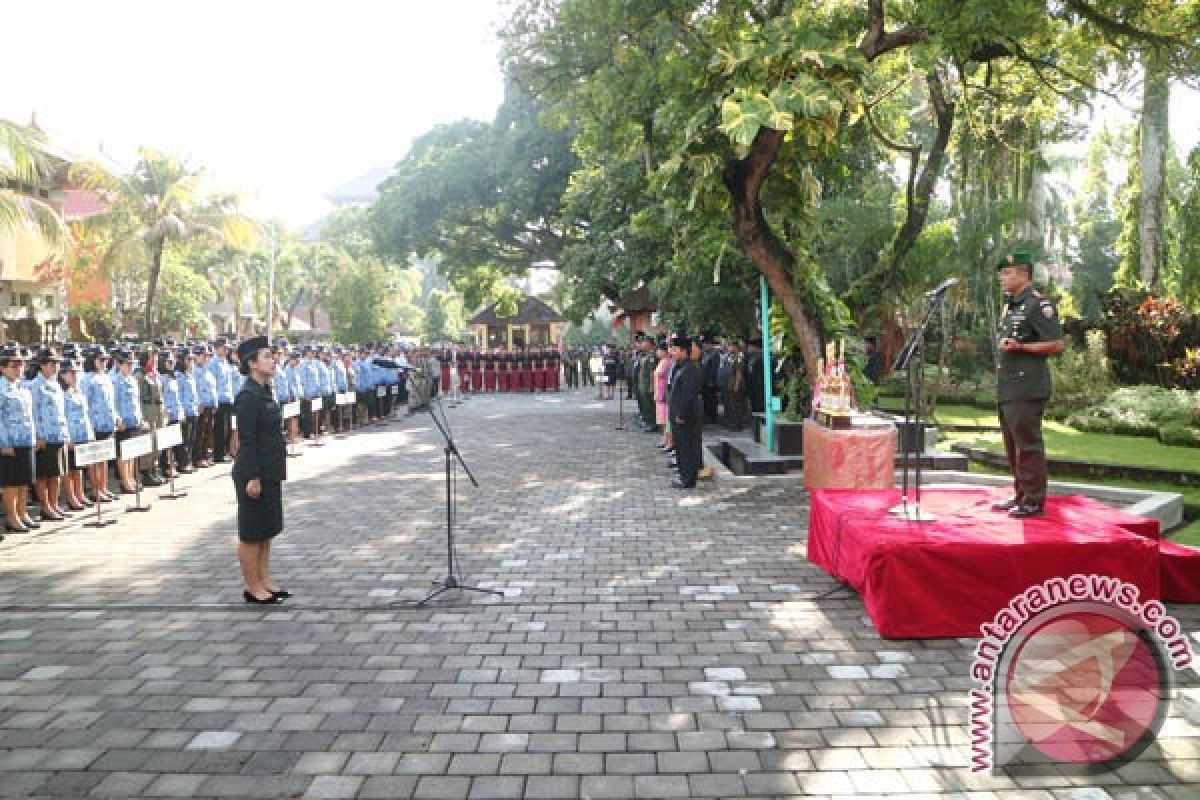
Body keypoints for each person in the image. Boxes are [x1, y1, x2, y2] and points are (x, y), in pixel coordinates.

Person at [991, 250, 1065, 518]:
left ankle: (1034, 500)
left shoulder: (1038, 305)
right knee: (1013, 446)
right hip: (1009, 388)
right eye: (1002, 272)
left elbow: (1057, 344)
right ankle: (1021, 494)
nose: (1002, 277)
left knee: (1028, 445)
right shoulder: (1010, 305)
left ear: (1024, 274)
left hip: (1027, 387)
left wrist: (1021, 346)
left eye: (1007, 272)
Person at [232, 336, 289, 604]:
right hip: (253, 471)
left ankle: (264, 580)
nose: (273, 360)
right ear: (252, 363)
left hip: (270, 469)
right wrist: (253, 476)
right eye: (266, 356)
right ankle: (252, 587)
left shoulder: (265, 391)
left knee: (266, 530)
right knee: (251, 532)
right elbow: (248, 439)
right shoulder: (247, 396)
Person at [1, 347, 38, 534]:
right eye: (14, 365)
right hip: (11, 442)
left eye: (21, 364)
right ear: (3, 368)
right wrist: (4, 442)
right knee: (11, 483)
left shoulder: (22, 387)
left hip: (26, 439)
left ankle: (23, 513)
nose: (19, 368)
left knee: (24, 480)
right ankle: (12, 517)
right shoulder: (1, 388)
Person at [30, 350, 71, 521]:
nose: (55, 367)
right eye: (51, 363)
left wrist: (66, 433)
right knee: (43, 475)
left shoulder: (56, 385)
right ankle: (46, 507)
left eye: (56, 363)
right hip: (44, 436)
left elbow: (62, 412)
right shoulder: (35, 386)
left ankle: (54, 505)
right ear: (42, 365)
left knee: (57, 474)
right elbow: (34, 412)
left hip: (58, 434)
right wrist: (38, 436)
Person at [81, 346, 119, 503]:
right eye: (101, 360)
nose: (104, 363)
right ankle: (96, 489)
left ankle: (103, 488)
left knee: (104, 457)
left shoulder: (105, 377)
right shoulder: (87, 379)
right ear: (92, 360)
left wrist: (116, 417)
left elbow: (111, 401)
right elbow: (85, 404)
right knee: (95, 459)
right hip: (95, 424)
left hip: (107, 423)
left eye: (106, 360)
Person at [667, 334, 704, 489]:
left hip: (685, 416)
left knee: (686, 447)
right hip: (678, 414)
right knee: (681, 447)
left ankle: (687, 479)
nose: (672, 353)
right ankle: (686, 475)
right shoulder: (680, 367)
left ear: (684, 351)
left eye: (675, 350)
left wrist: (681, 414)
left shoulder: (690, 368)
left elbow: (688, 395)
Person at [59, 358, 94, 512]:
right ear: (62, 375)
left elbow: (85, 414)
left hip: (81, 434)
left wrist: (89, 433)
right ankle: (71, 497)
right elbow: (61, 417)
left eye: (76, 372)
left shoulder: (77, 390)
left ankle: (79, 495)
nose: (74, 376)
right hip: (69, 436)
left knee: (78, 468)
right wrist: (67, 439)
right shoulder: (60, 393)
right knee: (69, 468)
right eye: (71, 373)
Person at [111, 350, 145, 494]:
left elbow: (136, 401)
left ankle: (131, 478)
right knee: (122, 454)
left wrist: (140, 418)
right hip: (123, 422)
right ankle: (125, 481)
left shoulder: (132, 379)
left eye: (132, 363)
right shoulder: (114, 380)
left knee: (131, 452)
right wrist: (118, 419)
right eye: (127, 363)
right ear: (119, 364)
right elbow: (112, 403)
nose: (130, 366)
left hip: (134, 420)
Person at [653, 340, 673, 452]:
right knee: (661, 419)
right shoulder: (662, 361)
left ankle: (670, 442)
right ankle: (664, 439)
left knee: (666, 420)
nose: (657, 352)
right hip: (659, 393)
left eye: (659, 350)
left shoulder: (668, 362)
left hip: (665, 393)